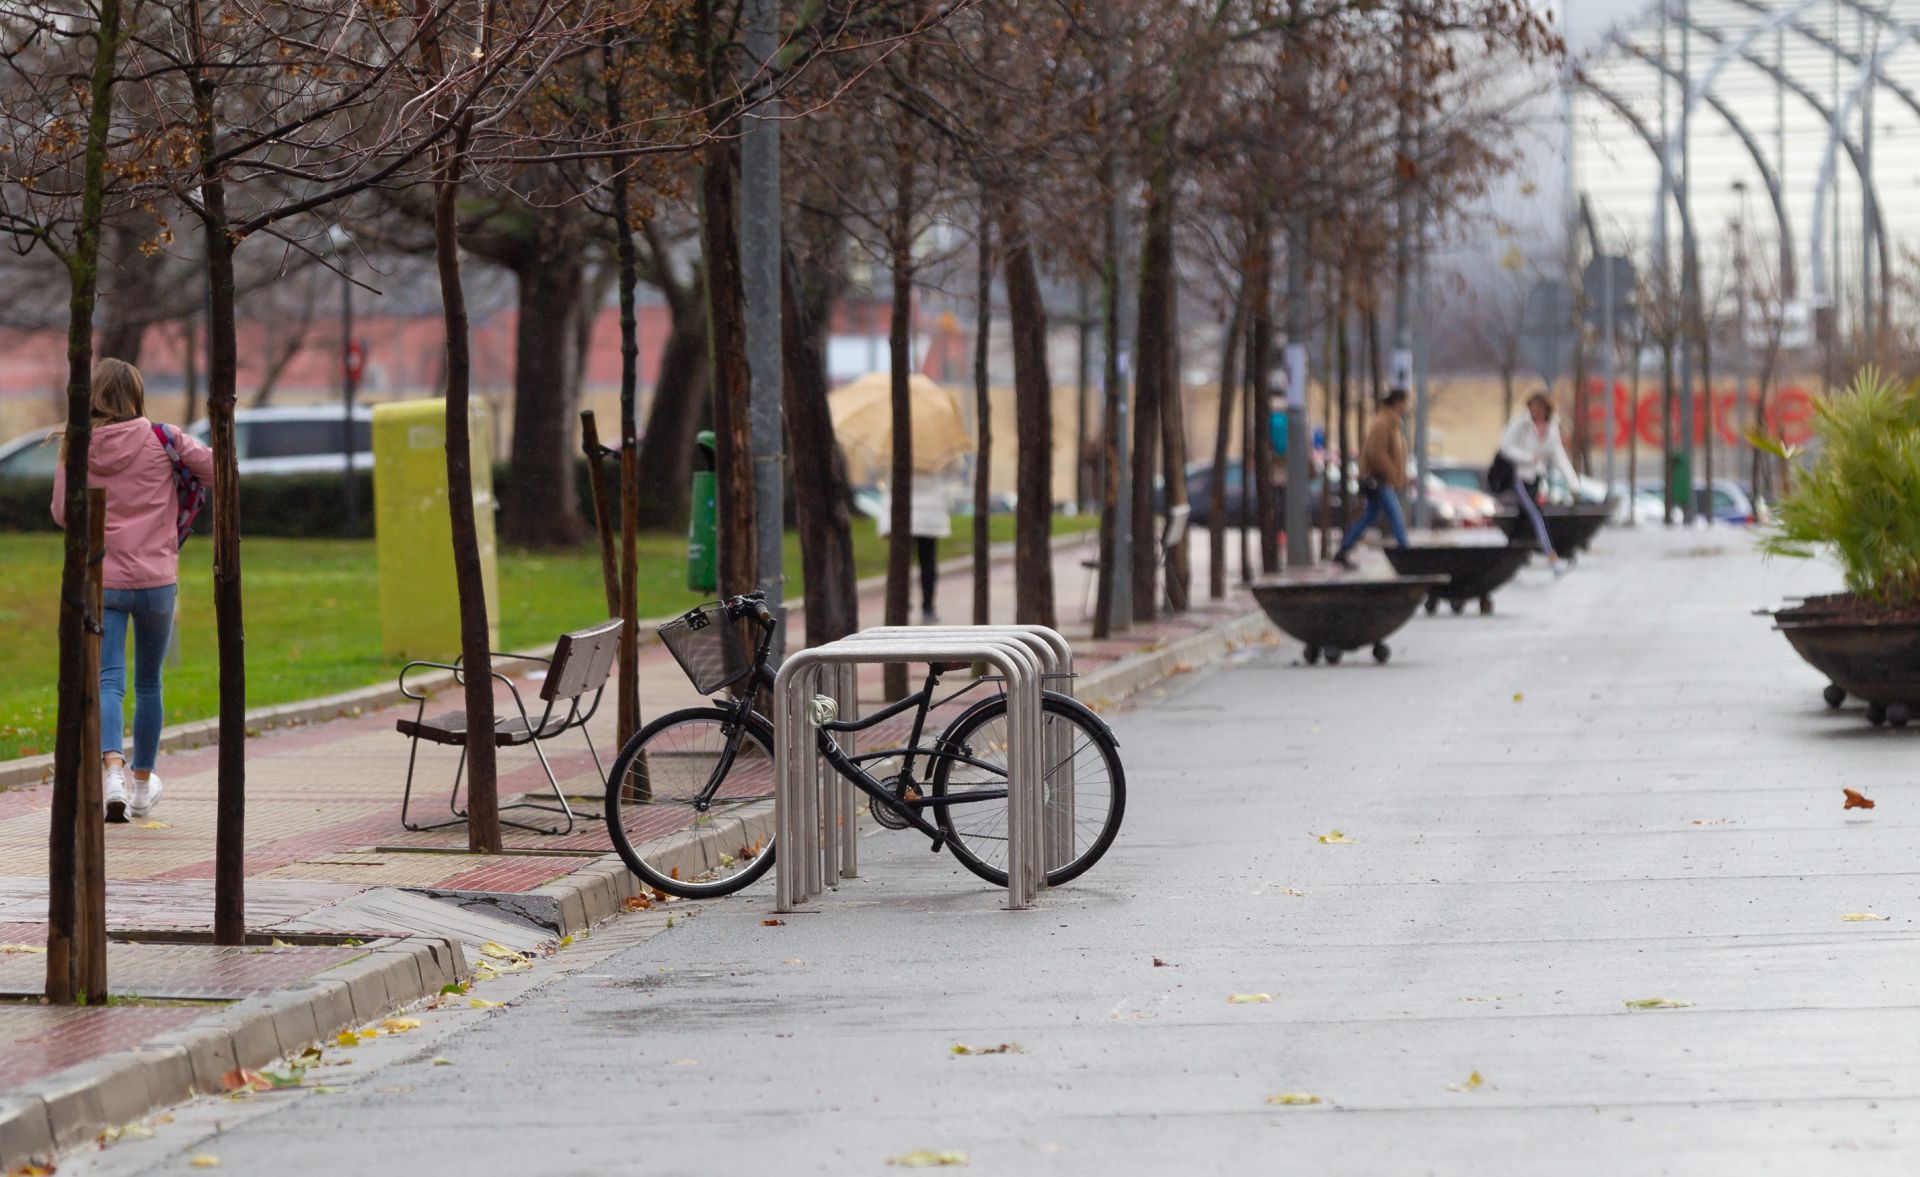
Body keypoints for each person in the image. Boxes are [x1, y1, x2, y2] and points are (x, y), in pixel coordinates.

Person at [51, 359, 214, 823]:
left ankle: (112, 774)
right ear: (137, 394)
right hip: (158, 581)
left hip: (103, 579)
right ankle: (142, 786)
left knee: (109, 681)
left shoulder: (76, 444)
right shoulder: (164, 439)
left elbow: (63, 512)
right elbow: (216, 472)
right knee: (149, 683)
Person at [1491, 391, 1577, 576]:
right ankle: (1553, 559)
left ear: (1547, 409)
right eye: (1533, 407)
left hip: (1536, 478)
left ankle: (1506, 559)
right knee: (1537, 515)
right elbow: (1505, 446)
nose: (1536, 411)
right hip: (1519, 477)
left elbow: (1559, 456)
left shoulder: (1552, 429)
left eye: (1540, 408)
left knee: (1523, 521)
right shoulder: (1521, 424)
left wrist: (1573, 484)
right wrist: (1528, 458)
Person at [1332, 388, 1412, 570]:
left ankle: (1342, 551)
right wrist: (1392, 472)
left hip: (1381, 479)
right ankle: (1406, 553)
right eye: (1404, 403)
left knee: (1369, 517)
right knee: (1395, 515)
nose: (1405, 407)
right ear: (1397, 402)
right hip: (1379, 479)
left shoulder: (1390, 422)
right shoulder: (1384, 422)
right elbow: (1376, 452)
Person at [878, 473, 951, 621]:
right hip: (929, 514)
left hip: (900, 510)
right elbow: (953, 468)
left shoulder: (891, 453)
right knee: (928, 562)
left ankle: (902, 600)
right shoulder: (935, 454)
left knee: (900, 562)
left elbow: (882, 475)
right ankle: (928, 607)